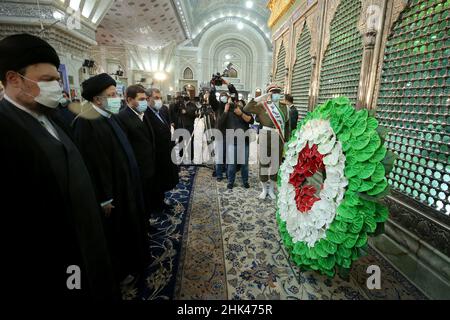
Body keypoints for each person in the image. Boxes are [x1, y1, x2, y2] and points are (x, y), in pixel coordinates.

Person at [0, 34, 118, 300]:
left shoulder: (53, 117)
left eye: (57, 79)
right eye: (47, 80)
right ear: (14, 79)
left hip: (87, 236)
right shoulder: (5, 130)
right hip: (56, 254)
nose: (57, 86)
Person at [72, 73, 149, 286]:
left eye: (117, 93)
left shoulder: (109, 115)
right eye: (112, 94)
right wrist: (104, 198)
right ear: (97, 99)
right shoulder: (86, 122)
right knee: (117, 233)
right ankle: (121, 272)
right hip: (112, 194)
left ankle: (137, 262)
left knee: (132, 226)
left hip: (126, 185)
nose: (117, 98)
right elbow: (91, 164)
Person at [116, 85, 156, 218]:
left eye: (145, 99)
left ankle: (147, 221)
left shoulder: (143, 114)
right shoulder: (122, 117)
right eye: (141, 99)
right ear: (129, 99)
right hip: (138, 169)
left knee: (148, 198)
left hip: (149, 165)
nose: (144, 102)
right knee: (140, 201)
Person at [244, 83, 289, 200]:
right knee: (264, 164)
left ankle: (271, 189)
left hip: (278, 136)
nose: (276, 94)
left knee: (275, 164)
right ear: (269, 94)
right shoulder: (263, 105)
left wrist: (287, 141)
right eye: (273, 92)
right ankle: (264, 189)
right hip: (265, 136)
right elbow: (246, 108)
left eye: (278, 92)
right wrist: (260, 97)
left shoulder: (285, 107)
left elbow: (287, 125)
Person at [145, 88, 179, 213]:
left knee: (163, 181)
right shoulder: (146, 115)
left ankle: (161, 202)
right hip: (156, 155)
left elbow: (167, 126)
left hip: (166, 152)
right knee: (156, 183)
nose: (159, 100)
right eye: (156, 98)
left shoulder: (162, 111)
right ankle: (156, 206)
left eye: (160, 97)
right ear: (148, 99)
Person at [218, 96, 254, 189]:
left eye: (235, 101)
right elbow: (220, 124)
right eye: (231, 101)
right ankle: (230, 181)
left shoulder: (244, 109)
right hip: (231, 141)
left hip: (244, 141)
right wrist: (225, 111)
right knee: (231, 164)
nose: (234, 103)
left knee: (244, 164)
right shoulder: (227, 111)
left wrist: (241, 113)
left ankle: (245, 181)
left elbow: (251, 120)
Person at [208, 78, 237, 181]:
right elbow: (211, 98)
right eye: (222, 96)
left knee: (229, 157)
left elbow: (234, 93)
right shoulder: (217, 106)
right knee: (219, 156)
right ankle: (219, 174)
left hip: (230, 134)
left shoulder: (232, 105)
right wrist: (212, 86)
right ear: (219, 98)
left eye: (225, 96)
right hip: (220, 134)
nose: (223, 97)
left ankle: (229, 174)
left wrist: (228, 84)